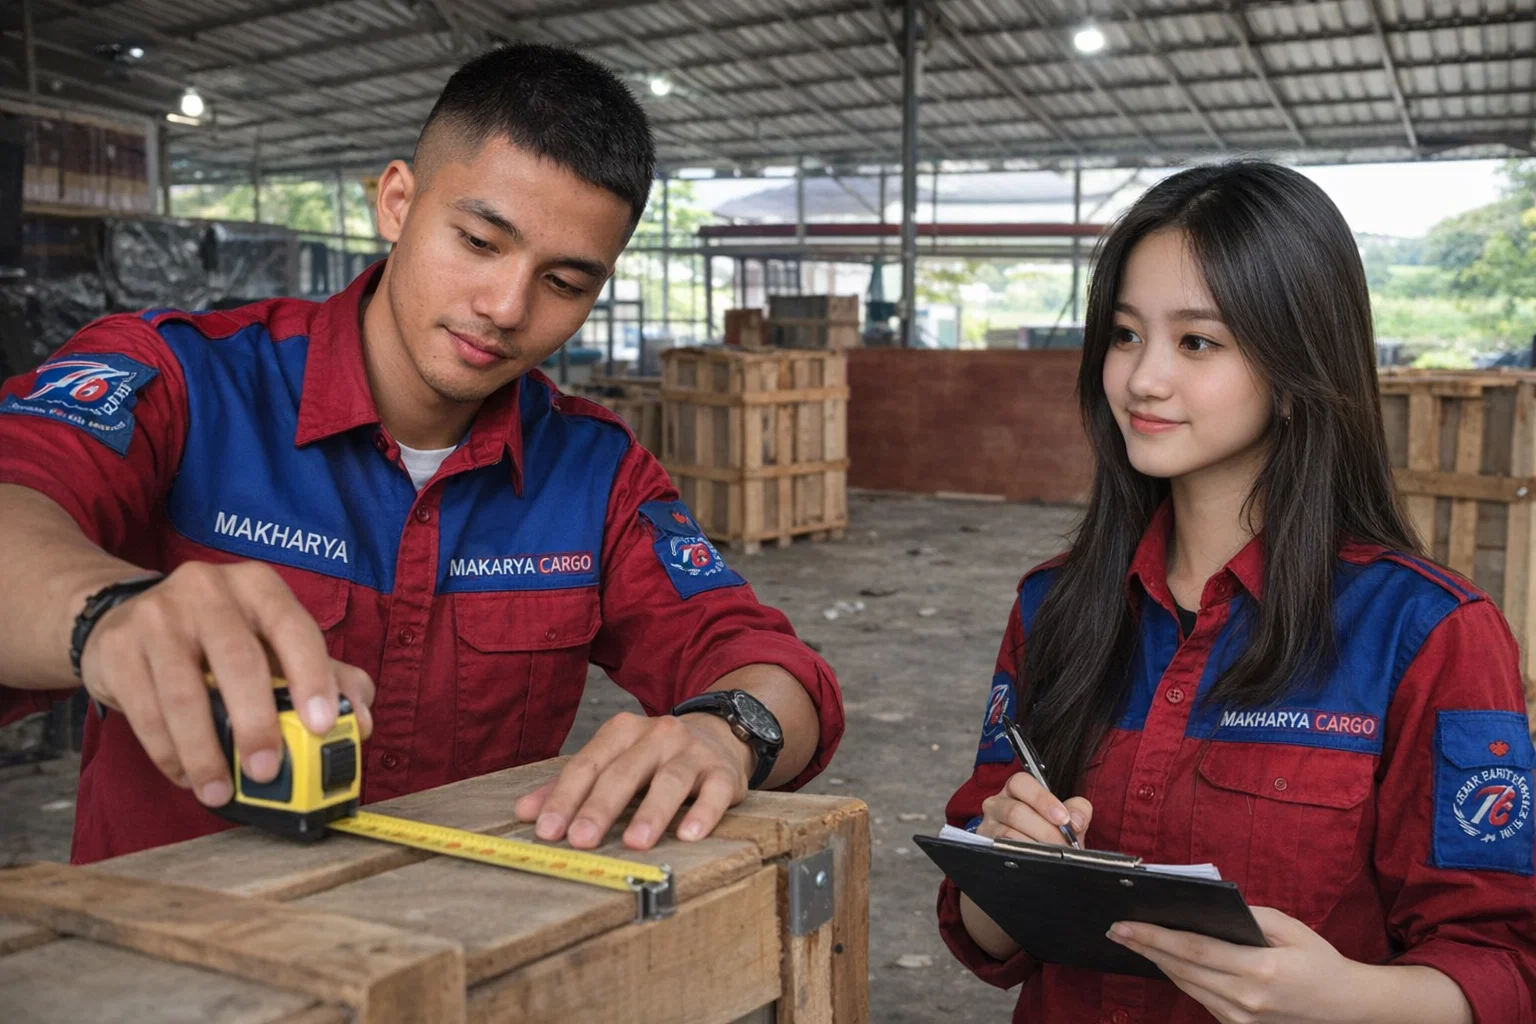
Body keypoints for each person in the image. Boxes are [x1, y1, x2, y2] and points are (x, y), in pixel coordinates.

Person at [0, 44, 843, 864]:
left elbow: (767, 664)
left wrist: (726, 733)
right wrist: (104, 615)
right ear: (397, 202)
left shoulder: (597, 474)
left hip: (457, 961)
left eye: (566, 283)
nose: (506, 307)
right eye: (480, 241)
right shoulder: (186, 380)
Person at [939, 161, 1536, 1023]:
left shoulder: (1428, 634)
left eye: (1198, 342)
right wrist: (1007, 862)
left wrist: (1350, 998)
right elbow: (979, 931)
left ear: (1299, 369)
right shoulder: (1055, 606)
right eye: (1123, 334)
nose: (1142, 379)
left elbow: (1504, 962)